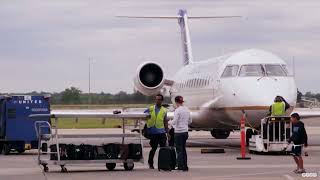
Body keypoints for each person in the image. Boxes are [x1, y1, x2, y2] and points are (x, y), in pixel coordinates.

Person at [144, 94, 169, 169]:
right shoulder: (151, 108)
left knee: (163, 149)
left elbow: (165, 122)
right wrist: (147, 116)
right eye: (157, 99)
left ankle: (163, 164)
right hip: (153, 133)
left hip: (161, 133)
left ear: (162, 100)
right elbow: (143, 115)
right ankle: (150, 163)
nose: (158, 101)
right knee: (153, 149)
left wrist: (167, 133)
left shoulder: (164, 110)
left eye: (159, 99)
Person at [172, 96, 192, 171]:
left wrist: (169, 123)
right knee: (183, 149)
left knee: (179, 150)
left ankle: (180, 166)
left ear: (176, 102)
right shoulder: (187, 109)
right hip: (185, 132)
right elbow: (190, 121)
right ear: (182, 102)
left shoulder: (177, 110)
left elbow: (175, 121)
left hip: (179, 132)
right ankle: (185, 166)